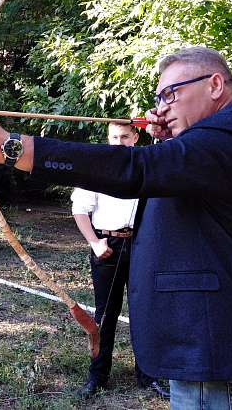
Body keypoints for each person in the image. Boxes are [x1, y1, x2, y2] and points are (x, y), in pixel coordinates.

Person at [0, 46, 232, 409]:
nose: (162, 107)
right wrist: (173, 141)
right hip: (221, 349)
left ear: (215, 84)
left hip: (220, 356)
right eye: (159, 98)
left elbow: (135, 169)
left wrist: (12, 148)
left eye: (172, 93)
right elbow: (191, 189)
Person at [71, 122, 169, 399]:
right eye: (114, 137)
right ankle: (98, 376)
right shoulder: (96, 166)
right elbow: (80, 210)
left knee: (145, 310)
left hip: (141, 244)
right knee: (105, 313)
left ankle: (148, 375)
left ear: (135, 137)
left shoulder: (146, 164)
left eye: (125, 136)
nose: (119, 142)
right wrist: (94, 242)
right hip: (107, 245)